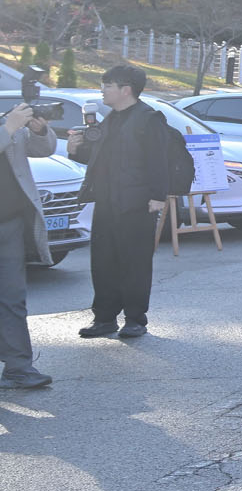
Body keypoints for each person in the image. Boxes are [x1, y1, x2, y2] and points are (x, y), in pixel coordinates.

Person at [69, 63, 191, 340]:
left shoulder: (149, 119)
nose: (102, 90)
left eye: (108, 85)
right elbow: (102, 159)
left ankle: (135, 319)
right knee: (103, 262)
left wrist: (158, 197)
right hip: (106, 201)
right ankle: (104, 318)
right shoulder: (110, 119)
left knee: (134, 263)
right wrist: (76, 151)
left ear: (126, 90)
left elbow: (158, 160)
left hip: (137, 203)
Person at [1, 99, 58, 387]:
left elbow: (43, 149)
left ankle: (18, 367)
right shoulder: (6, 125)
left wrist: (38, 131)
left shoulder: (5, 119)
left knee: (13, 298)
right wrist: (8, 129)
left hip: (9, 224)